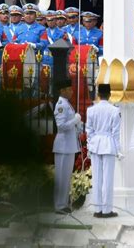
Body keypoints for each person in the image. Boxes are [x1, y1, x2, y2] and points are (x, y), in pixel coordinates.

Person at [86, 84, 122, 218]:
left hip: (96, 143)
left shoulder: (91, 110)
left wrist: (90, 146)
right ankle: (107, 209)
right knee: (107, 178)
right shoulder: (114, 110)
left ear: (98, 94)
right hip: (108, 143)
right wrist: (118, 150)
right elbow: (116, 133)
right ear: (110, 94)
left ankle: (98, 209)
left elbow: (89, 130)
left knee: (97, 178)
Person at [52, 78, 82, 214]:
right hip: (63, 146)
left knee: (66, 176)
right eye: (69, 89)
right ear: (62, 91)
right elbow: (61, 126)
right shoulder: (61, 105)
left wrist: (77, 126)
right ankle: (59, 205)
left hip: (69, 145)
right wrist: (74, 120)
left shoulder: (67, 104)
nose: (71, 91)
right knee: (61, 176)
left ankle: (63, 203)